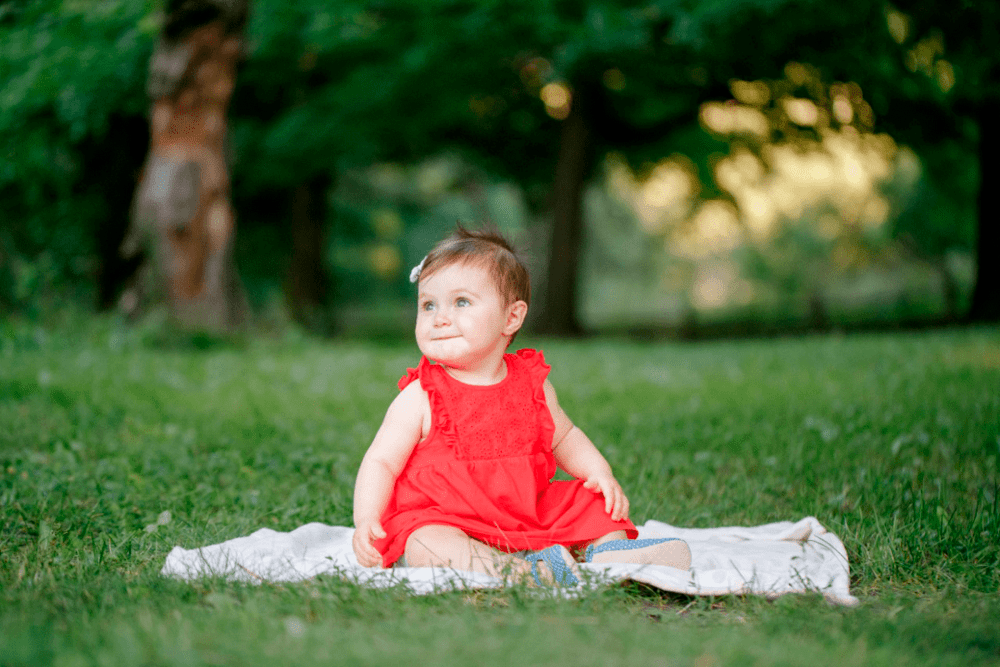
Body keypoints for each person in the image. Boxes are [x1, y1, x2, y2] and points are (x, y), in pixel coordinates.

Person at [352, 225, 690, 585]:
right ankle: (517, 570)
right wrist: (366, 517)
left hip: (526, 510)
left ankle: (608, 550)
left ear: (511, 317)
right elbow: (382, 461)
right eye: (428, 305)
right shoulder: (421, 395)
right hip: (447, 516)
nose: (440, 317)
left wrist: (598, 473)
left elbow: (565, 437)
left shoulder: (532, 384)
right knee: (424, 542)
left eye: (461, 302)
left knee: (586, 501)